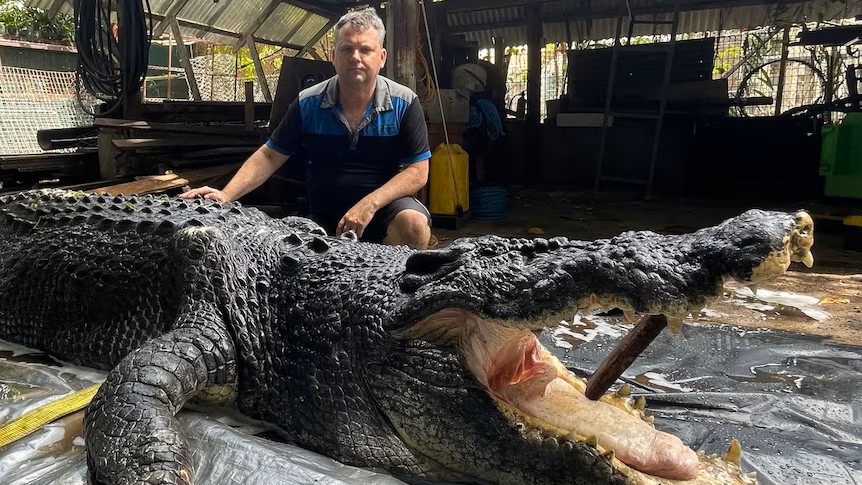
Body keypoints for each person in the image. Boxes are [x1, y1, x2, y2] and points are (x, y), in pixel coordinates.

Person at [179, 8, 432, 249]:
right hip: (324, 213)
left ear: (381, 57)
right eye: (347, 49)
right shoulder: (308, 103)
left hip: (382, 210)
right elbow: (269, 155)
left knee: (414, 226)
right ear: (334, 57)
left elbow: (418, 171)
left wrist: (370, 203)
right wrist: (225, 195)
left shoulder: (404, 103)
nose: (356, 57)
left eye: (365, 49)